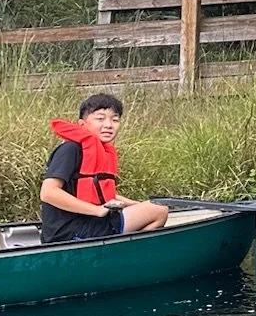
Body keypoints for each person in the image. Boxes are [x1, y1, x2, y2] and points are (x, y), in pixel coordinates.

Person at [38, 93, 169, 244]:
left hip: (91, 224)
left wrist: (136, 204)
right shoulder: (70, 149)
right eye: (100, 118)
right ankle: (127, 253)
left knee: (154, 208)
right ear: (82, 124)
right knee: (159, 211)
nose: (108, 125)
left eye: (115, 120)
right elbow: (48, 193)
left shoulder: (101, 152)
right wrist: (97, 210)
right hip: (72, 230)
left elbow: (106, 194)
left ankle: (122, 251)